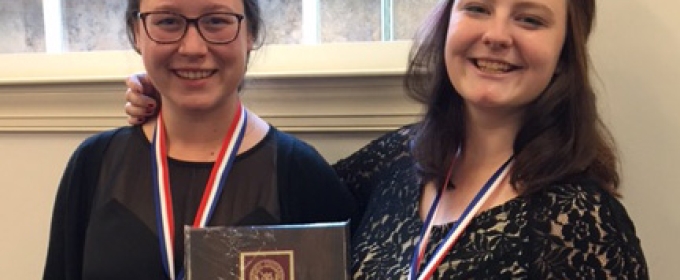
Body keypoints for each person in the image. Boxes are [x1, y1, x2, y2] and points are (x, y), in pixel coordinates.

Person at [125, 0, 648, 278]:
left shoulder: (584, 223)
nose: (497, 34)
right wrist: (180, 99)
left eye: (530, 18)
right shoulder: (397, 161)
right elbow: (272, 192)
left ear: (564, 51)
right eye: (478, 7)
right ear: (449, 22)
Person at [42, 0, 356, 279]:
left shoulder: (301, 173)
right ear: (136, 32)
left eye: (216, 21)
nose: (193, 48)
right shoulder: (94, 164)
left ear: (251, 34)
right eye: (167, 21)